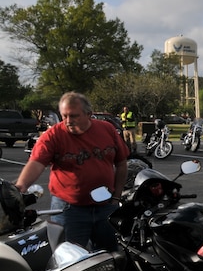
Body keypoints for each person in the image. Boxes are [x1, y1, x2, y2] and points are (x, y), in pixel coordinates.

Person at [15, 91, 129, 251]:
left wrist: (116, 197)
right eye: (64, 116)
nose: (68, 121)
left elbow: (122, 163)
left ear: (89, 114)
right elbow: (36, 163)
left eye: (74, 116)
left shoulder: (107, 130)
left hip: (106, 207)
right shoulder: (53, 135)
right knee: (70, 260)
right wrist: (20, 187)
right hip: (69, 210)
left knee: (111, 256)